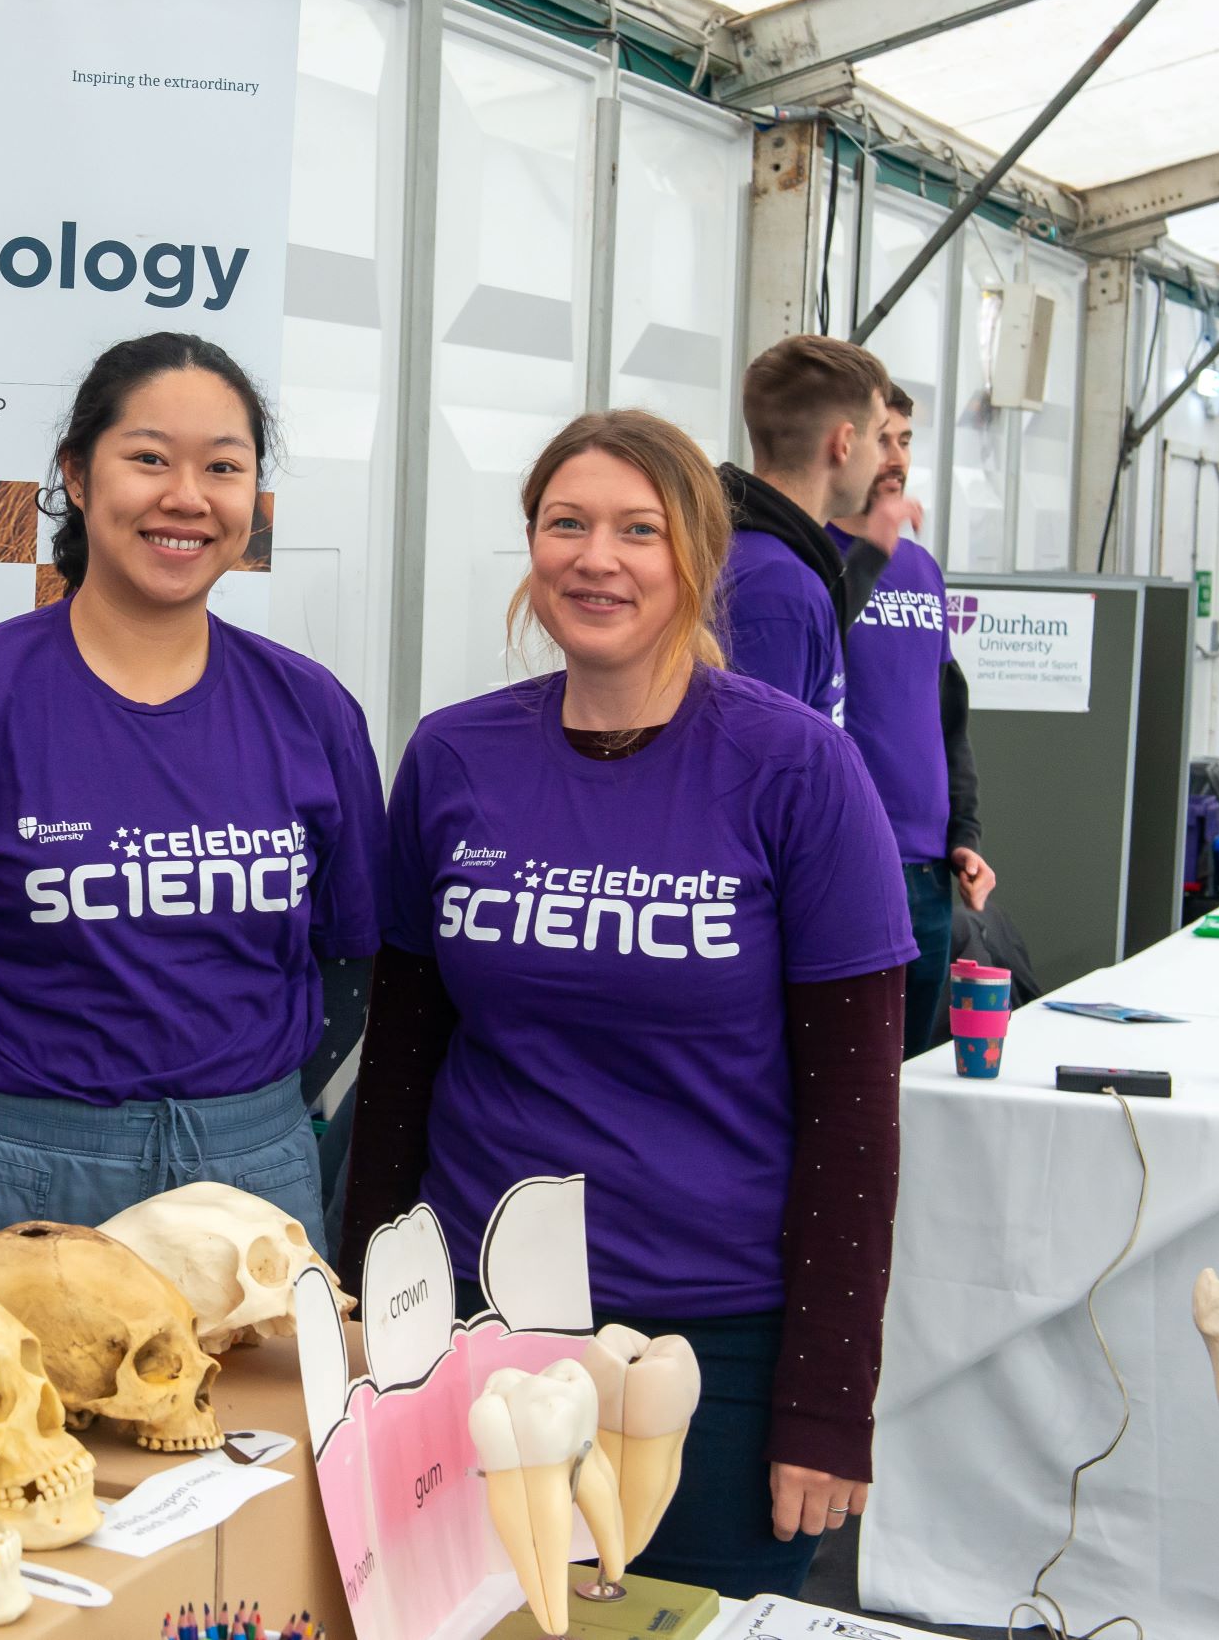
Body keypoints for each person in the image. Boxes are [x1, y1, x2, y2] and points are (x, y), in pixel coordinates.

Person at [341, 408, 913, 1600]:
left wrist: (824, 1400)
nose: (596, 558)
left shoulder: (797, 769)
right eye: (567, 523)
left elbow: (855, 1120)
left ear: (697, 556)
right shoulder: (453, 759)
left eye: (637, 529)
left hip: (706, 1344)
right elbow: (398, 1066)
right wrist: (364, 1315)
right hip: (475, 1330)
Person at [0, 331, 386, 1285]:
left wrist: (258, 1121)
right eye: (148, 458)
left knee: (252, 1441)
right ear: (77, 475)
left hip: (249, 1186)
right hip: (2, 1187)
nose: (187, 496)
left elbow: (347, 958)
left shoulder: (311, 711)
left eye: (223, 465)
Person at [829, 388, 996, 1054]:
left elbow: (945, 714)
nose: (897, 457)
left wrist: (965, 832)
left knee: (908, 1077)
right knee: (850, 1075)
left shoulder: (923, 568)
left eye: (906, 441)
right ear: (843, 446)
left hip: (929, 872)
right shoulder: (811, 559)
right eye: (884, 439)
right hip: (851, 863)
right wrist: (869, 549)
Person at [717, 334, 891, 723]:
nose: (883, 460)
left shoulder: (752, 555)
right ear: (844, 443)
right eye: (879, 437)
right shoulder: (779, 587)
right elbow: (764, 770)